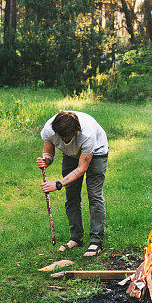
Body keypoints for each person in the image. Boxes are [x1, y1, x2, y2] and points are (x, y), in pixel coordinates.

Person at [37, 110, 108, 257]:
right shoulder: (49, 130)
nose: (63, 140)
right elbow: (48, 153)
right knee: (71, 196)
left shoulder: (87, 135)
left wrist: (58, 184)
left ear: (76, 131)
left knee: (94, 195)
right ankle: (76, 237)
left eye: (67, 137)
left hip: (97, 152)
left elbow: (82, 168)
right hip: (71, 155)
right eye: (60, 137)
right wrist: (45, 160)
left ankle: (96, 241)